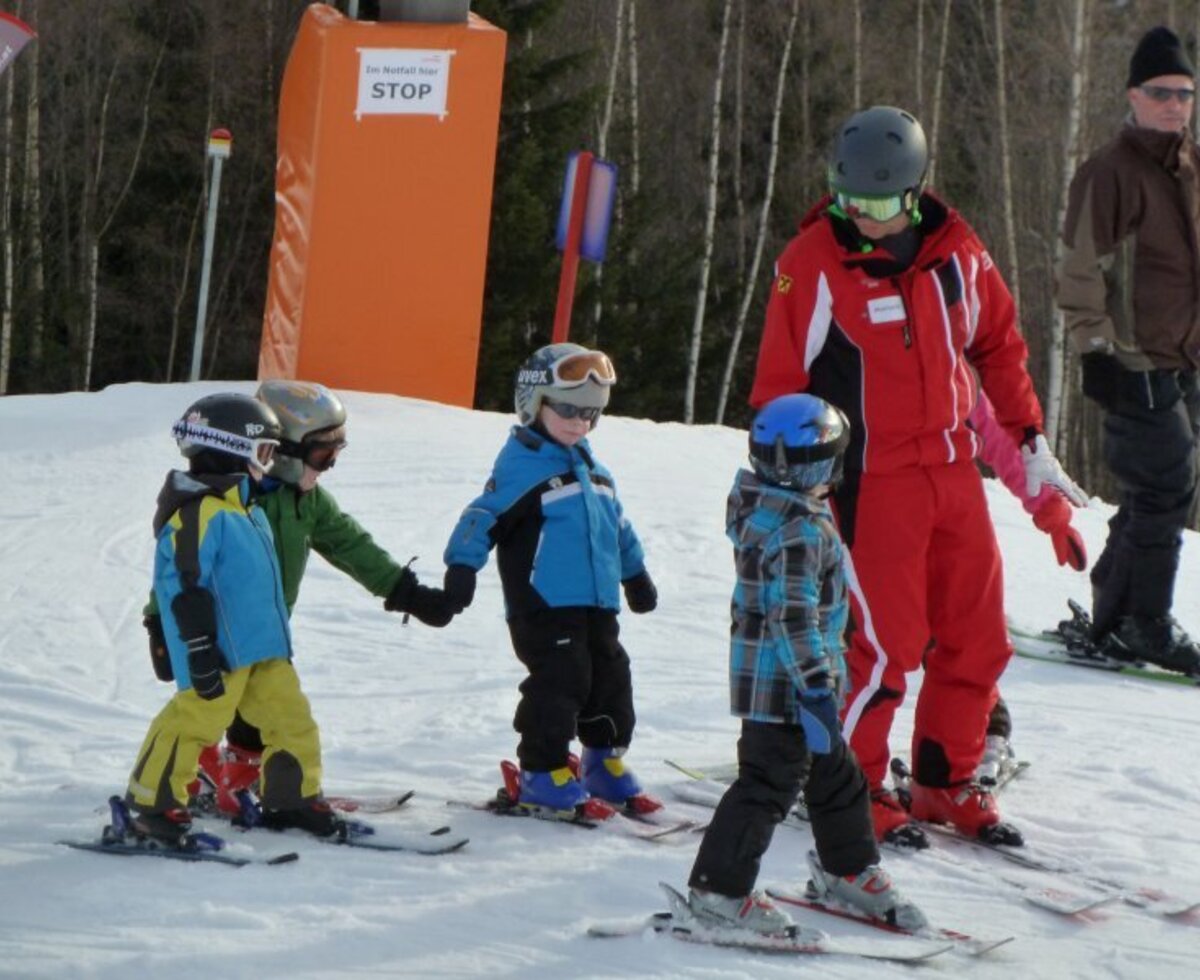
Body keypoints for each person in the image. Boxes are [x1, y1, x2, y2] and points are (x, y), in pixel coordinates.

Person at [750, 105, 1086, 846]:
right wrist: (785, 489)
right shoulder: (810, 263)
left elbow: (1000, 347)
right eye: (849, 202)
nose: (862, 219)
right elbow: (778, 386)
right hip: (868, 482)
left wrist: (1029, 442)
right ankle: (850, 787)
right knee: (882, 649)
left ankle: (945, 781)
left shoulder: (959, 253)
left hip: (953, 474)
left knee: (975, 638)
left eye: (877, 204)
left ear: (913, 193)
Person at [143, 381, 456, 815]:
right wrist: (159, 622)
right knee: (210, 708)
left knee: (276, 712)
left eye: (336, 454)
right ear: (279, 451)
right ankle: (186, 784)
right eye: (322, 456)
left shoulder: (307, 502)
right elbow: (180, 568)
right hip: (212, 633)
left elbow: (352, 546)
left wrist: (408, 593)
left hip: (264, 633)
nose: (328, 468)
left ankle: (254, 777)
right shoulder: (225, 504)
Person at [684, 394, 926, 935]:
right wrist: (816, 688)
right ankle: (718, 892)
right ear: (824, 464)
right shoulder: (798, 530)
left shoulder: (771, 509)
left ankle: (848, 869)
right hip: (785, 687)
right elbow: (793, 618)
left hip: (790, 678)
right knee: (767, 785)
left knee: (837, 777)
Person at [439, 343, 658, 814]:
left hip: (596, 602)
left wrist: (635, 574)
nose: (580, 423)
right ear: (533, 403)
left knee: (611, 677)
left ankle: (603, 761)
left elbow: (617, 527)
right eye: (569, 410)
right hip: (543, 603)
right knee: (561, 681)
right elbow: (482, 516)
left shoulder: (595, 470)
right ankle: (542, 770)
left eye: (592, 414)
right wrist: (462, 567)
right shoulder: (521, 468)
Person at [125, 393, 341, 843]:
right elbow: (187, 585)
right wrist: (199, 647)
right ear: (231, 449)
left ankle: (291, 799)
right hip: (219, 651)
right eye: (263, 452)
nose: (269, 464)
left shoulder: (246, 508)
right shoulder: (198, 512)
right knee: (195, 722)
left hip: (263, 650)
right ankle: (152, 805)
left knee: (292, 719)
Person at [1058, 25, 1200, 677]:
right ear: (1133, 97)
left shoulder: (1191, 167)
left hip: (1185, 357)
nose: (1175, 105)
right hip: (1133, 362)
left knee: (1155, 492)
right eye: (1162, 93)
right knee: (1167, 485)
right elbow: (1080, 268)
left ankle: (1116, 614)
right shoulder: (1108, 173)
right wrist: (1097, 353)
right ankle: (1145, 622)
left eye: (1186, 93)